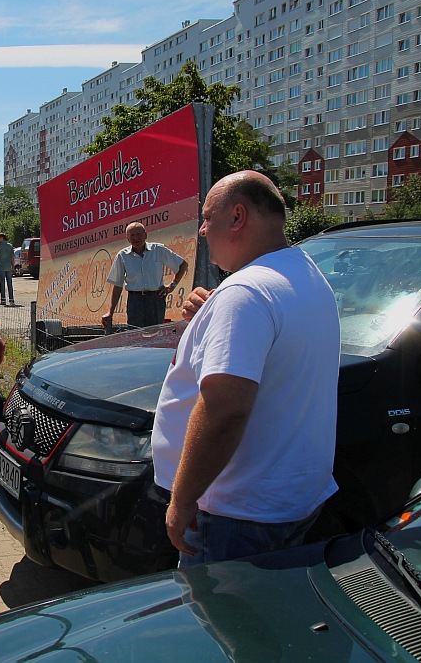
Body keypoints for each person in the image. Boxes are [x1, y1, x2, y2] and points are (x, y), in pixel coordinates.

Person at [151, 170, 340, 567]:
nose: (202, 230)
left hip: (234, 514)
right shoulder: (305, 275)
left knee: (219, 624)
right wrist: (212, 318)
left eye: (208, 217)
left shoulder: (246, 293)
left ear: (237, 217)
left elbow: (225, 409)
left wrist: (182, 502)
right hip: (288, 500)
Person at [101, 222, 188, 328]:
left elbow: (182, 265)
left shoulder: (158, 250)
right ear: (128, 238)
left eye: (138, 234)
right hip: (135, 301)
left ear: (145, 235)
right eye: (132, 235)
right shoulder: (122, 256)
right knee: (136, 335)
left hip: (155, 299)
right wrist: (110, 312)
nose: (136, 238)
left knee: (155, 335)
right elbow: (118, 285)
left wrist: (172, 286)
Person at [0, 233, 15, 306]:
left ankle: (3, 300)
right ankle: (11, 300)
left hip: (1, 267)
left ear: (2, 238)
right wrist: (13, 266)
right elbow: (12, 257)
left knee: (2, 284)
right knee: (10, 284)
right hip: (8, 266)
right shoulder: (10, 246)